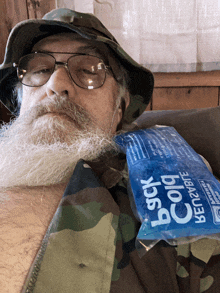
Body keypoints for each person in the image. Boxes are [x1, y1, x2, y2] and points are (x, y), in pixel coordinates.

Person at [0, 8, 220, 293]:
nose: (56, 84)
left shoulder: (169, 196)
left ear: (119, 110)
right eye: (40, 69)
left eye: (88, 70)